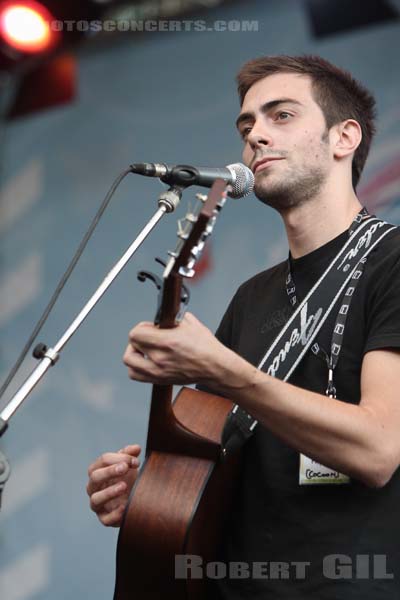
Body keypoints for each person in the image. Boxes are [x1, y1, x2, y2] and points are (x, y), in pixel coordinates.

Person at [86, 55, 400, 598]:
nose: (255, 134)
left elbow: (377, 449)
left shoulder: (391, 261)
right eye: (246, 124)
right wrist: (155, 495)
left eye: (280, 116)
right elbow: (222, 457)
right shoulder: (251, 297)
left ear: (343, 137)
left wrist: (228, 372)